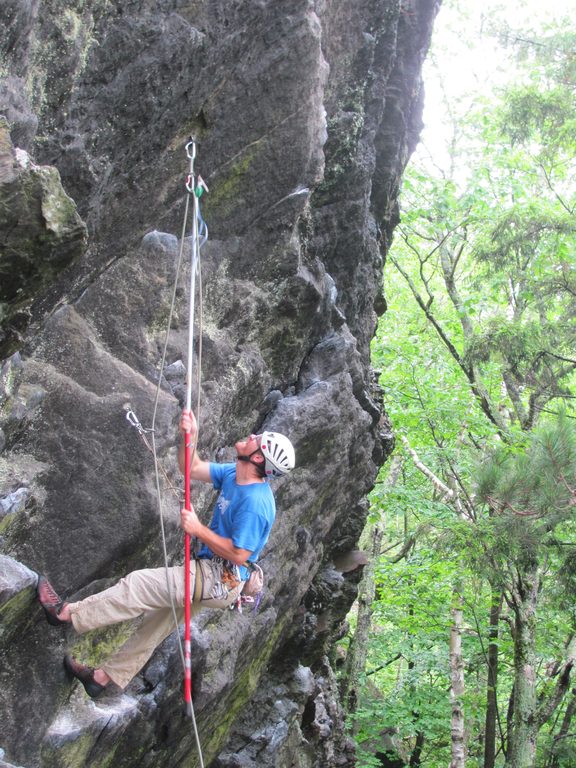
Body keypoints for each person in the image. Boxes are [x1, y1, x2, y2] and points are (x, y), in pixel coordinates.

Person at [36, 409, 295, 698]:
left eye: (257, 440)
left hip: (220, 579)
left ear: (258, 458)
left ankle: (66, 614)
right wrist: (191, 438)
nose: (252, 436)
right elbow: (192, 467)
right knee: (158, 623)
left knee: (139, 586)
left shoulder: (256, 503)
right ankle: (101, 678)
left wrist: (198, 529)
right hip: (210, 572)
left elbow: (239, 553)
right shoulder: (236, 473)